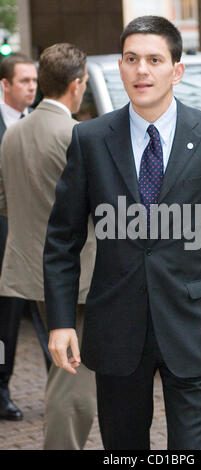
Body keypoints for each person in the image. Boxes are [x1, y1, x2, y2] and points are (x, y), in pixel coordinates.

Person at [43, 16, 201, 450]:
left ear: (177, 69)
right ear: (120, 66)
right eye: (132, 59)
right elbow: (62, 240)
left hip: (193, 325)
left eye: (155, 59)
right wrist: (60, 322)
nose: (142, 71)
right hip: (116, 329)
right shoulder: (90, 140)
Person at [0, 43, 97, 449]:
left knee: (65, 367)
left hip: (31, 268)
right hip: (78, 273)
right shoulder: (77, 134)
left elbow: (4, 200)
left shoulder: (14, 132)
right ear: (76, 85)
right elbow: (99, 208)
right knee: (73, 374)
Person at [0, 53, 37, 421]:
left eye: (34, 81)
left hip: (39, 247)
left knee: (49, 321)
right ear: (5, 85)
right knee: (4, 327)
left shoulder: (38, 124)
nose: (31, 87)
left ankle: (60, 386)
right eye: (24, 81)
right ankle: (1, 388)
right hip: (4, 247)